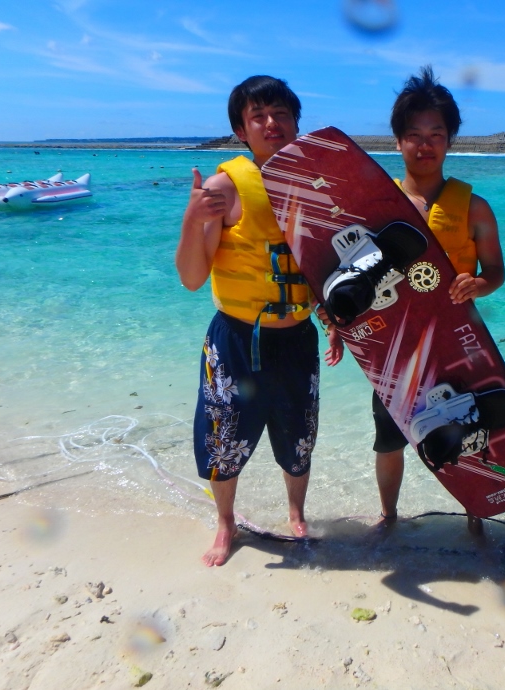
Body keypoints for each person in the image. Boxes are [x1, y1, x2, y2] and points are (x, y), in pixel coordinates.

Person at [176, 75, 342, 567]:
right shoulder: (223, 188)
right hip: (236, 341)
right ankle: (226, 522)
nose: (272, 123)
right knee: (223, 440)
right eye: (258, 116)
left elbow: (318, 265)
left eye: (281, 114)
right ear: (240, 130)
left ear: (296, 124)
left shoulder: (314, 187)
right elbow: (191, 277)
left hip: (297, 339)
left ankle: (296, 513)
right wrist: (192, 218)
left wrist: (331, 320)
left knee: (299, 437)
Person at [374, 66, 504, 526]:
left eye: (436, 135)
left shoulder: (475, 208)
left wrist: (479, 285)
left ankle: (476, 519)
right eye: (414, 135)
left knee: (468, 430)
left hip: (457, 343)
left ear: (450, 141)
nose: (424, 145)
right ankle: (388, 517)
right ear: (398, 142)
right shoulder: (378, 205)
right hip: (396, 346)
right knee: (389, 439)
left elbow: (496, 273)